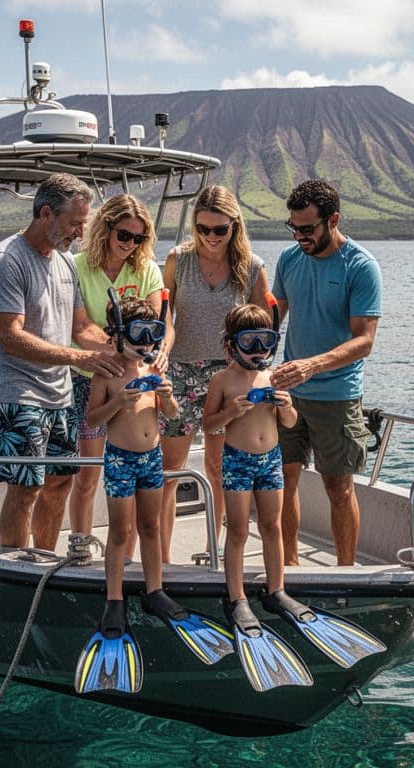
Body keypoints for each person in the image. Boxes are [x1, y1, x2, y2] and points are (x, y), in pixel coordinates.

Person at [203, 303, 384, 686]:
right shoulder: (222, 381)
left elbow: (290, 422)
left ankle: (276, 589)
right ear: (230, 346)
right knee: (237, 530)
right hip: (238, 462)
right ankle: (236, 597)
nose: (257, 351)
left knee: (271, 526)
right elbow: (210, 425)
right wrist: (231, 412)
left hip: (270, 461)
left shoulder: (273, 378)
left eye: (264, 342)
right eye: (248, 342)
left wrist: (286, 408)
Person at [74, 296, 231, 694]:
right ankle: (114, 599)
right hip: (121, 460)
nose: (147, 344)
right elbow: (92, 419)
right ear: (118, 335)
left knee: (150, 526)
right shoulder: (107, 373)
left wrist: (167, 394)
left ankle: (155, 589)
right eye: (139, 336)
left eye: (154, 336)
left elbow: (175, 415)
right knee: (121, 531)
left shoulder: (153, 368)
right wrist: (118, 402)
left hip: (152, 457)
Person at [0, 172, 126, 551]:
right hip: (17, 395)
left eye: (83, 223)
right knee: (26, 488)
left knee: (60, 482)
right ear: (47, 213)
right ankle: (14, 571)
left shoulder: (65, 262)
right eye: (76, 223)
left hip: (59, 395)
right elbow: (10, 338)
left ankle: (44, 560)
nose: (80, 233)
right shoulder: (4, 261)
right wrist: (81, 358)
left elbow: (81, 327)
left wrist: (119, 350)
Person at [270, 179, 382, 567]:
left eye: (308, 228)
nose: (300, 236)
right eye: (294, 228)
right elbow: (273, 318)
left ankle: (346, 572)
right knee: (283, 481)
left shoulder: (361, 266)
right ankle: (289, 568)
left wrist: (312, 365)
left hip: (336, 393)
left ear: (332, 220)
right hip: (288, 393)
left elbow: (364, 340)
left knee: (339, 487)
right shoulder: (288, 260)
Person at [157, 185, 271, 563]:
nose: (210, 238)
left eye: (219, 230)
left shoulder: (252, 267)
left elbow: (262, 330)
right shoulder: (178, 260)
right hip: (183, 371)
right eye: (203, 228)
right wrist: (163, 351)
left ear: (234, 226)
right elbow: (167, 320)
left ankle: (214, 547)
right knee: (171, 469)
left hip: (229, 376)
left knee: (219, 467)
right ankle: (162, 556)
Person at [65, 194, 166, 539]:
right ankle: (80, 542)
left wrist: (158, 350)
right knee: (90, 472)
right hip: (90, 376)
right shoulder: (77, 266)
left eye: (139, 238)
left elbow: (156, 324)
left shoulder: (147, 269)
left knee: (137, 467)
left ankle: (128, 556)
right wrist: (119, 347)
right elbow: (79, 328)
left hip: (136, 378)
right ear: (105, 229)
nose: (130, 244)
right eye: (124, 235)